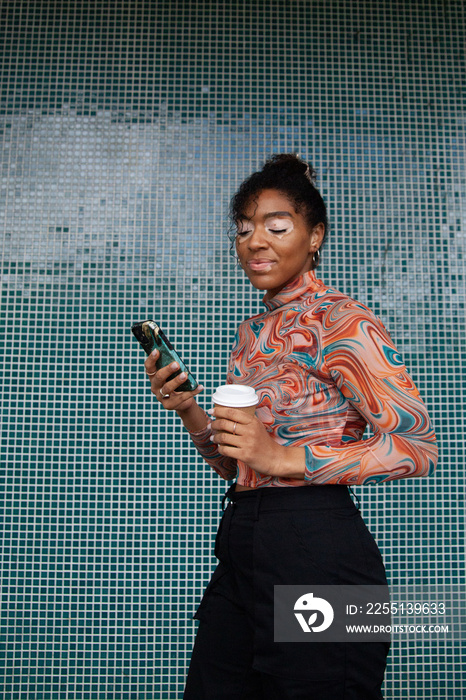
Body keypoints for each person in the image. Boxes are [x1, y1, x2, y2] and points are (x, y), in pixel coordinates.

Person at [143, 154, 438, 699]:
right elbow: (239, 465)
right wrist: (189, 409)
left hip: (321, 553)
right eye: (243, 229)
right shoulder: (253, 333)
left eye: (276, 227)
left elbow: (415, 447)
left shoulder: (343, 320)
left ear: (314, 235)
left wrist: (284, 458)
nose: (255, 241)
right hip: (244, 542)